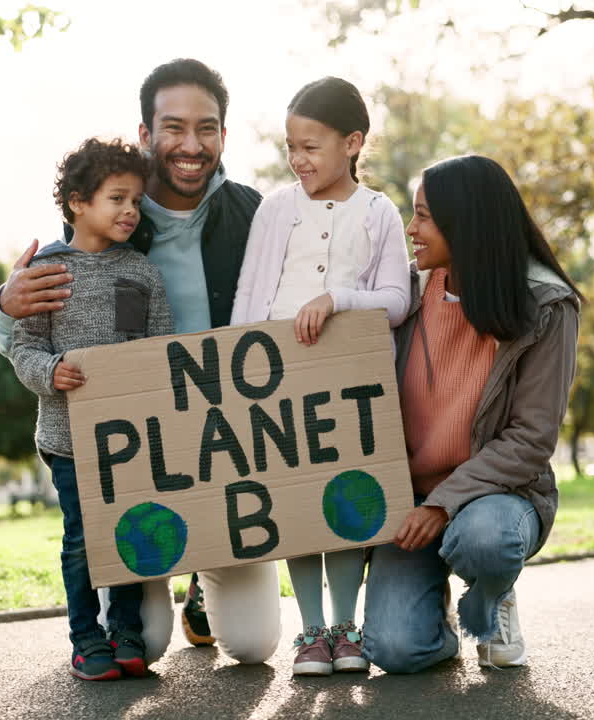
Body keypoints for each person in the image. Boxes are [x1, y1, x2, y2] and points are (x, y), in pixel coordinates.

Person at [0, 59, 281, 666]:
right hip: (133, 443)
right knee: (144, 643)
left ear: (224, 136)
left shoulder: (256, 214)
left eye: (207, 128)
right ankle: (108, 627)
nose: (191, 144)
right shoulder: (108, 220)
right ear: (147, 135)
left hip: (225, 443)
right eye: (173, 127)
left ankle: (204, 587)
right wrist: (1, 302)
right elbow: (29, 325)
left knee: (253, 646)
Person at [361, 155, 582, 674]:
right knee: (395, 650)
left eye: (424, 216)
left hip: (496, 497)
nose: (411, 229)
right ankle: (436, 623)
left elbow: (531, 440)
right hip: (411, 500)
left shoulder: (547, 305)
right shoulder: (407, 295)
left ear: (467, 223)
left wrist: (444, 504)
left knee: (486, 540)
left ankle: (491, 599)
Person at [230, 76, 409, 676]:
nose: (297, 158)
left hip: (353, 383)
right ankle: (309, 630)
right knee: (298, 505)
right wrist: (237, 377)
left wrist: (337, 298)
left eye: (311, 145)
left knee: (348, 500)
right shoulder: (277, 208)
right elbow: (251, 296)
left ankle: (346, 626)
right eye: (291, 146)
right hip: (279, 384)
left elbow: (396, 301)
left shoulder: (379, 212)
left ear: (352, 142)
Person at [8, 137, 173, 680]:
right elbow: (23, 346)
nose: (130, 211)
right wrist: (49, 373)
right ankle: (85, 637)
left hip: (131, 438)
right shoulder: (47, 270)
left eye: (136, 201)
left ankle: (126, 629)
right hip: (68, 438)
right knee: (82, 538)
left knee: (129, 529)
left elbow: (161, 347)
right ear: (78, 201)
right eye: (117, 199)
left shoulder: (142, 272)